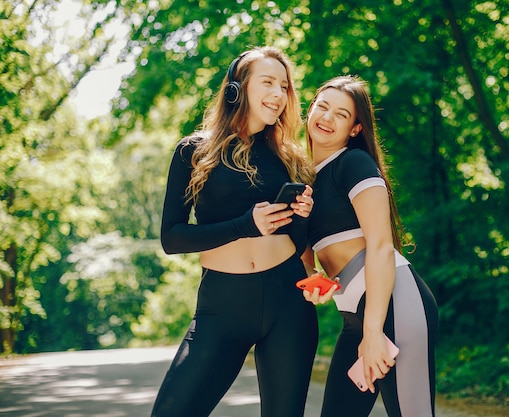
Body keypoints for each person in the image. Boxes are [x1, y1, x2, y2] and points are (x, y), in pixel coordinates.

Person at [151, 46, 318, 417]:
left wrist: (302, 216)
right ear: (236, 88)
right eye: (268, 82)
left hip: (287, 304)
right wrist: (246, 225)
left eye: (285, 86)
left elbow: (297, 242)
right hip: (223, 305)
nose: (279, 94)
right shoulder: (194, 151)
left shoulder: (289, 157)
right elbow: (173, 238)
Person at [301, 75, 439, 417]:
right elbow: (306, 256)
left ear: (355, 129)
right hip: (355, 318)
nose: (327, 117)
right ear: (309, 110)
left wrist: (374, 331)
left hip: (396, 307)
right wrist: (312, 279)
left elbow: (380, 246)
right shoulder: (302, 178)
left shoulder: (354, 164)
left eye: (341, 114)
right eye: (322, 106)